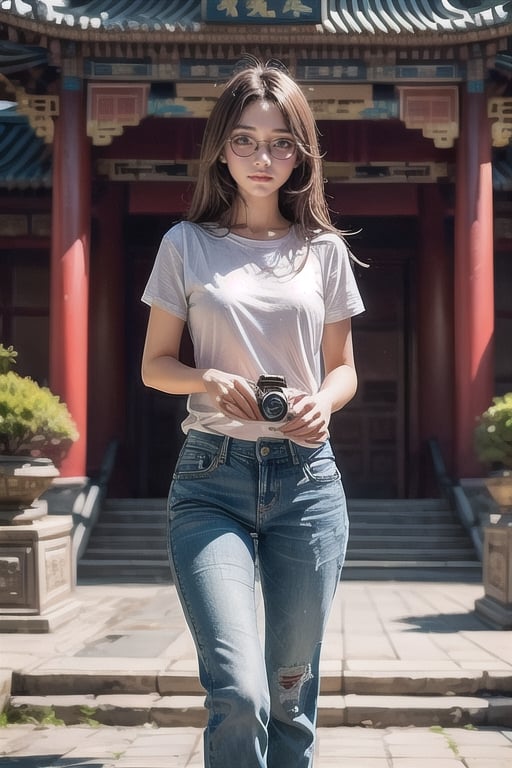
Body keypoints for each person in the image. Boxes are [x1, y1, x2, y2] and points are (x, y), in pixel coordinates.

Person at [141, 57, 365, 768]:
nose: (261, 158)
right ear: (220, 147)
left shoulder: (324, 251)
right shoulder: (185, 245)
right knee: (239, 691)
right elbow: (154, 366)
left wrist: (321, 405)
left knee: (290, 698)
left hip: (308, 485)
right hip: (212, 480)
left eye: (280, 142)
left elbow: (344, 369)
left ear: (302, 152)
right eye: (244, 139)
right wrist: (207, 377)